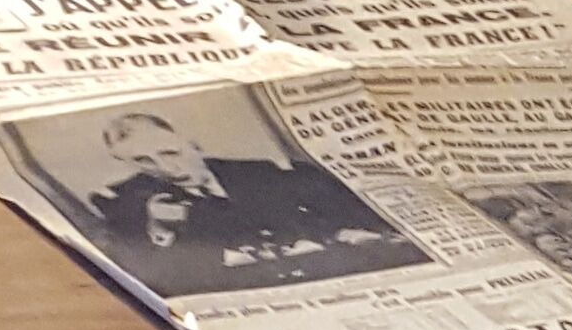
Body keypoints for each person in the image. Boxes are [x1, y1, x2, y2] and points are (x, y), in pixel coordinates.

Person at [75, 105, 414, 290]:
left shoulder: (265, 172)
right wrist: (160, 231)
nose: (166, 168)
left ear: (192, 143)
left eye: (170, 152)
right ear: (125, 163)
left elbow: (342, 215)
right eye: (143, 161)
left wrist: (345, 233)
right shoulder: (125, 202)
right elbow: (152, 282)